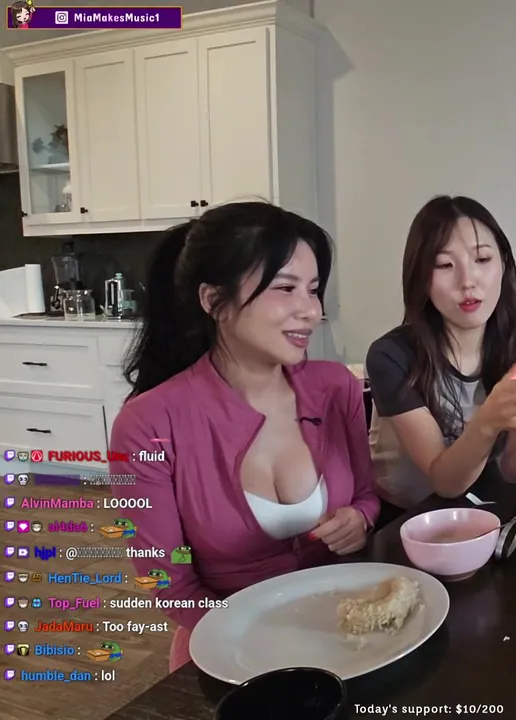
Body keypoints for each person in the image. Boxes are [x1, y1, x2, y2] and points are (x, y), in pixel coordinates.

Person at [107, 202, 379, 672]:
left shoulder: (337, 388)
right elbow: (169, 584)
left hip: (345, 628)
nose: (310, 311)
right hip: (229, 644)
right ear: (214, 300)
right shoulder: (147, 424)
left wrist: (360, 518)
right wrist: (265, 642)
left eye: (314, 290)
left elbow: (368, 496)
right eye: (285, 288)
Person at [365, 196, 516, 517]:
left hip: (482, 507)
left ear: (503, 265)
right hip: (403, 517)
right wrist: (488, 421)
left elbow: (513, 471)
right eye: (444, 265)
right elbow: (445, 483)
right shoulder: (391, 357)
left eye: (482, 259)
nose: (467, 281)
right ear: (421, 277)